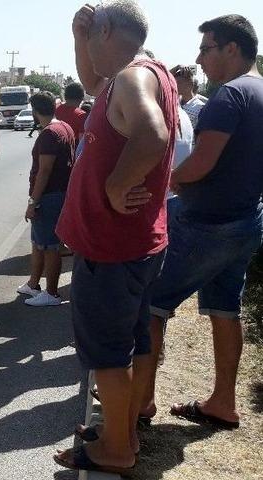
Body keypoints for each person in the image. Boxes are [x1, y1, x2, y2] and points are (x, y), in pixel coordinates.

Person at [53, 2, 178, 475]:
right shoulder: (139, 74)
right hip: (137, 245)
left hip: (110, 249)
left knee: (108, 354)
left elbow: (153, 133)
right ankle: (123, 427)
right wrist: (77, 40)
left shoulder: (131, 79)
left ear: (105, 31)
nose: (85, 50)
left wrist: (113, 185)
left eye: (90, 38)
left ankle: (117, 448)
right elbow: (93, 84)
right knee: (135, 344)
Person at [136, 14, 263, 434]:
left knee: (152, 303)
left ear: (232, 49)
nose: (199, 58)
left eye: (206, 48)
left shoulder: (229, 96)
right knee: (226, 310)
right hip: (247, 221)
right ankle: (222, 404)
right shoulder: (260, 92)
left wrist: (165, 181)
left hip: (207, 224)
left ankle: (141, 404)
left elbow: (201, 163)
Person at [18, 92, 76, 307]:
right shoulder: (64, 127)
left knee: (51, 246)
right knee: (38, 243)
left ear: (34, 110)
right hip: (58, 194)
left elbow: (44, 171)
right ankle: (33, 284)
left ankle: (51, 293)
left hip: (50, 197)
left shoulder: (49, 134)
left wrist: (33, 202)